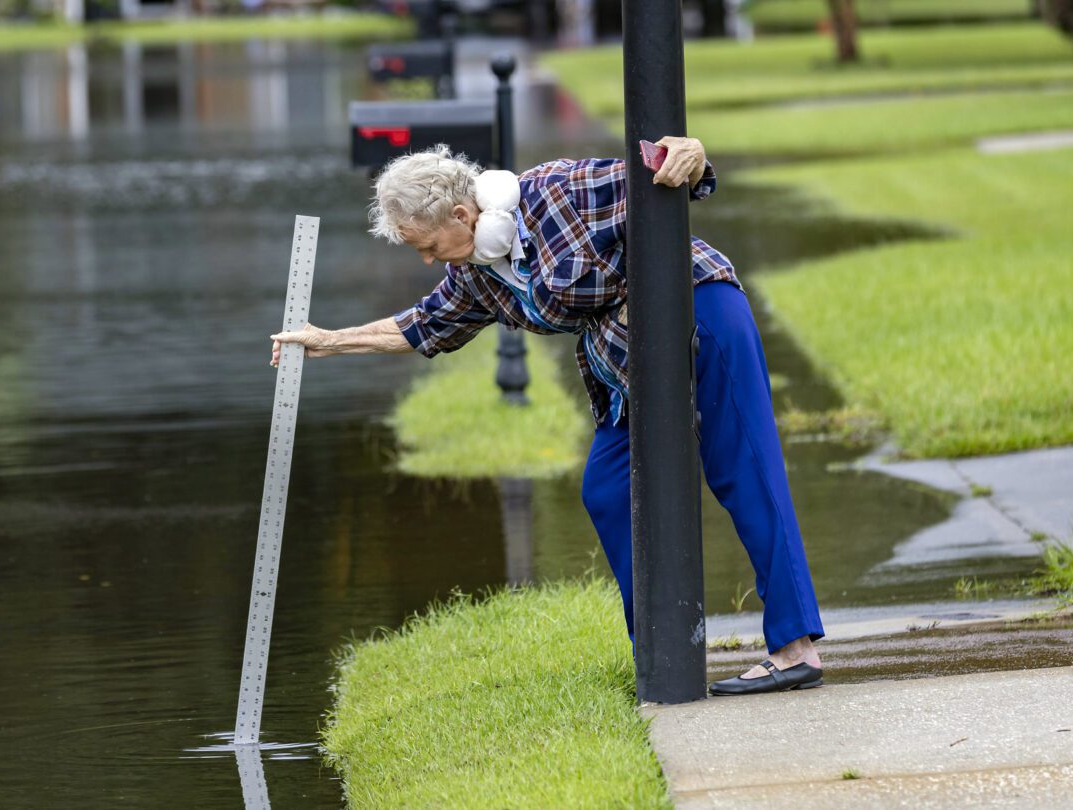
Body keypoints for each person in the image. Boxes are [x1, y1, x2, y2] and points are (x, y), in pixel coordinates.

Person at [270, 138, 826, 696]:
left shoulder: (561, 190)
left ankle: (795, 648)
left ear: (464, 215)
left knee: (743, 469)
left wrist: (690, 154)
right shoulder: (479, 273)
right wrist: (328, 341)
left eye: (429, 245)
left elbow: (667, 175)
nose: (427, 260)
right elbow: (421, 326)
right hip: (627, 360)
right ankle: (663, 649)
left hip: (699, 313)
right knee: (608, 489)